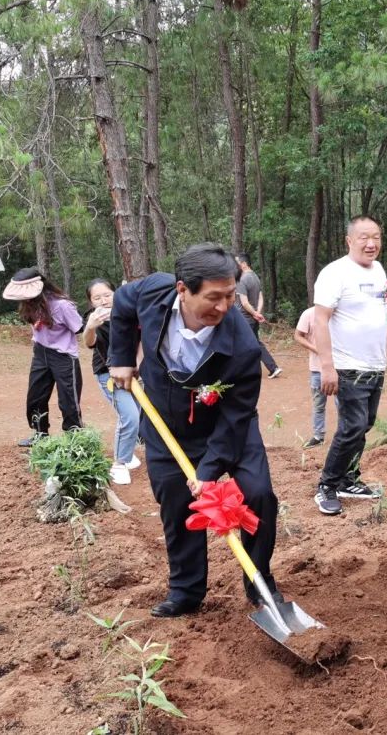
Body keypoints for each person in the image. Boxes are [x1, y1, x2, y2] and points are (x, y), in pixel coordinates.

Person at [107, 243, 281, 618]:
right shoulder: (153, 292)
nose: (224, 306)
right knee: (175, 500)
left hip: (227, 424)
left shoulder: (243, 346)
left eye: (230, 296)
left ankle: (260, 582)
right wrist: (120, 357)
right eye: (214, 297)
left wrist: (208, 470)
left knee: (259, 493)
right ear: (182, 289)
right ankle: (186, 591)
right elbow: (121, 302)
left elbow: (237, 414)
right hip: (166, 421)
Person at [313, 215, 387, 516]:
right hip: (347, 365)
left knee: (364, 424)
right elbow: (320, 320)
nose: (371, 243)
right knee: (352, 427)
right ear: (349, 240)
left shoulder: (379, 270)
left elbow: (385, 314)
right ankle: (327, 485)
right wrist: (327, 366)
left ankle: (347, 479)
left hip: (375, 365)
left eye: (376, 237)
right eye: (364, 237)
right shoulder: (335, 273)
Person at [3, 268, 84, 446]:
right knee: (36, 397)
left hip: (63, 356)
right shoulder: (29, 304)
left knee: (68, 400)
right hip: (40, 353)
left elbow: (79, 327)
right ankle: (40, 434)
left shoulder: (62, 305)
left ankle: (74, 439)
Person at [83, 279, 141, 486]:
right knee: (130, 416)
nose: (103, 300)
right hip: (108, 374)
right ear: (91, 302)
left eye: (107, 295)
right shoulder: (95, 318)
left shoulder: (127, 311)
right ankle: (119, 464)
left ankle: (127, 452)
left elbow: (141, 336)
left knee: (137, 413)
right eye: (97, 298)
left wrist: (137, 364)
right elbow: (89, 342)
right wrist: (90, 327)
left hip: (132, 370)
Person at [234, 252, 281, 379]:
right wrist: (257, 313)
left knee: (243, 345)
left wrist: (255, 313)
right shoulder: (255, 276)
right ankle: (272, 368)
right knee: (254, 343)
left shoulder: (242, 280)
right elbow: (260, 297)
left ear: (243, 264)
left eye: (236, 263)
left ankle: (247, 372)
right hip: (252, 318)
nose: (235, 266)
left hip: (244, 319)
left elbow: (244, 303)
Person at [294, 305, 330, 449]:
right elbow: (298, 335)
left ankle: (345, 437)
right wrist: (316, 349)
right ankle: (318, 436)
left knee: (343, 405)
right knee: (318, 404)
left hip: (340, 367)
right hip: (317, 368)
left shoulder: (340, 312)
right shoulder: (308, 313)